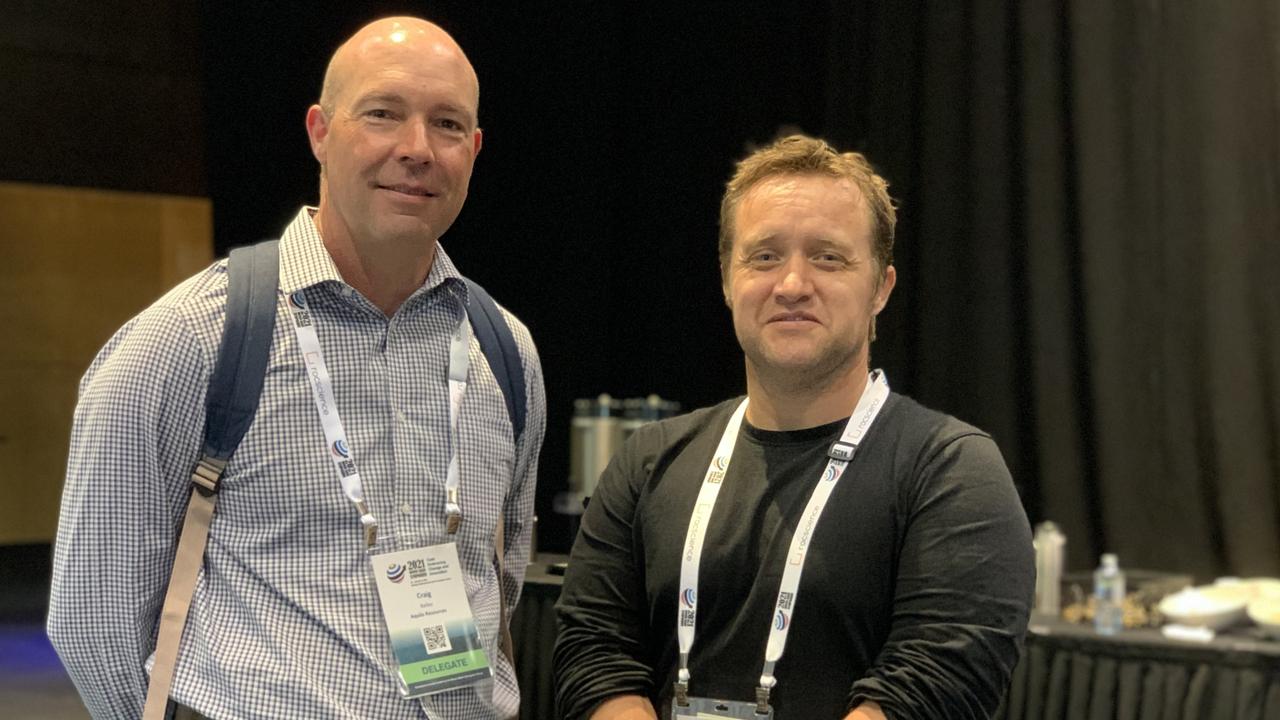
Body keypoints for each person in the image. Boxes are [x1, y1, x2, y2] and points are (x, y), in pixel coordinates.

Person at [47, 16, 545, 720]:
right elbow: (94, 618)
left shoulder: (506, 352)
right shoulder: (188, 342)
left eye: (448, 125)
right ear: (320, 131)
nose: (417, 149)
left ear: (476, 148)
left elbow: (501, 578)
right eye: (382, 114)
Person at [553, 134, 1033, 719]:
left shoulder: (951, 469)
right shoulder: (650, 459)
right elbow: (593, 653)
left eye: (828, 257)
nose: (792, 285)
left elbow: (935, 687)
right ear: (728, 279)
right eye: (764, 256)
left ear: (880, 288)